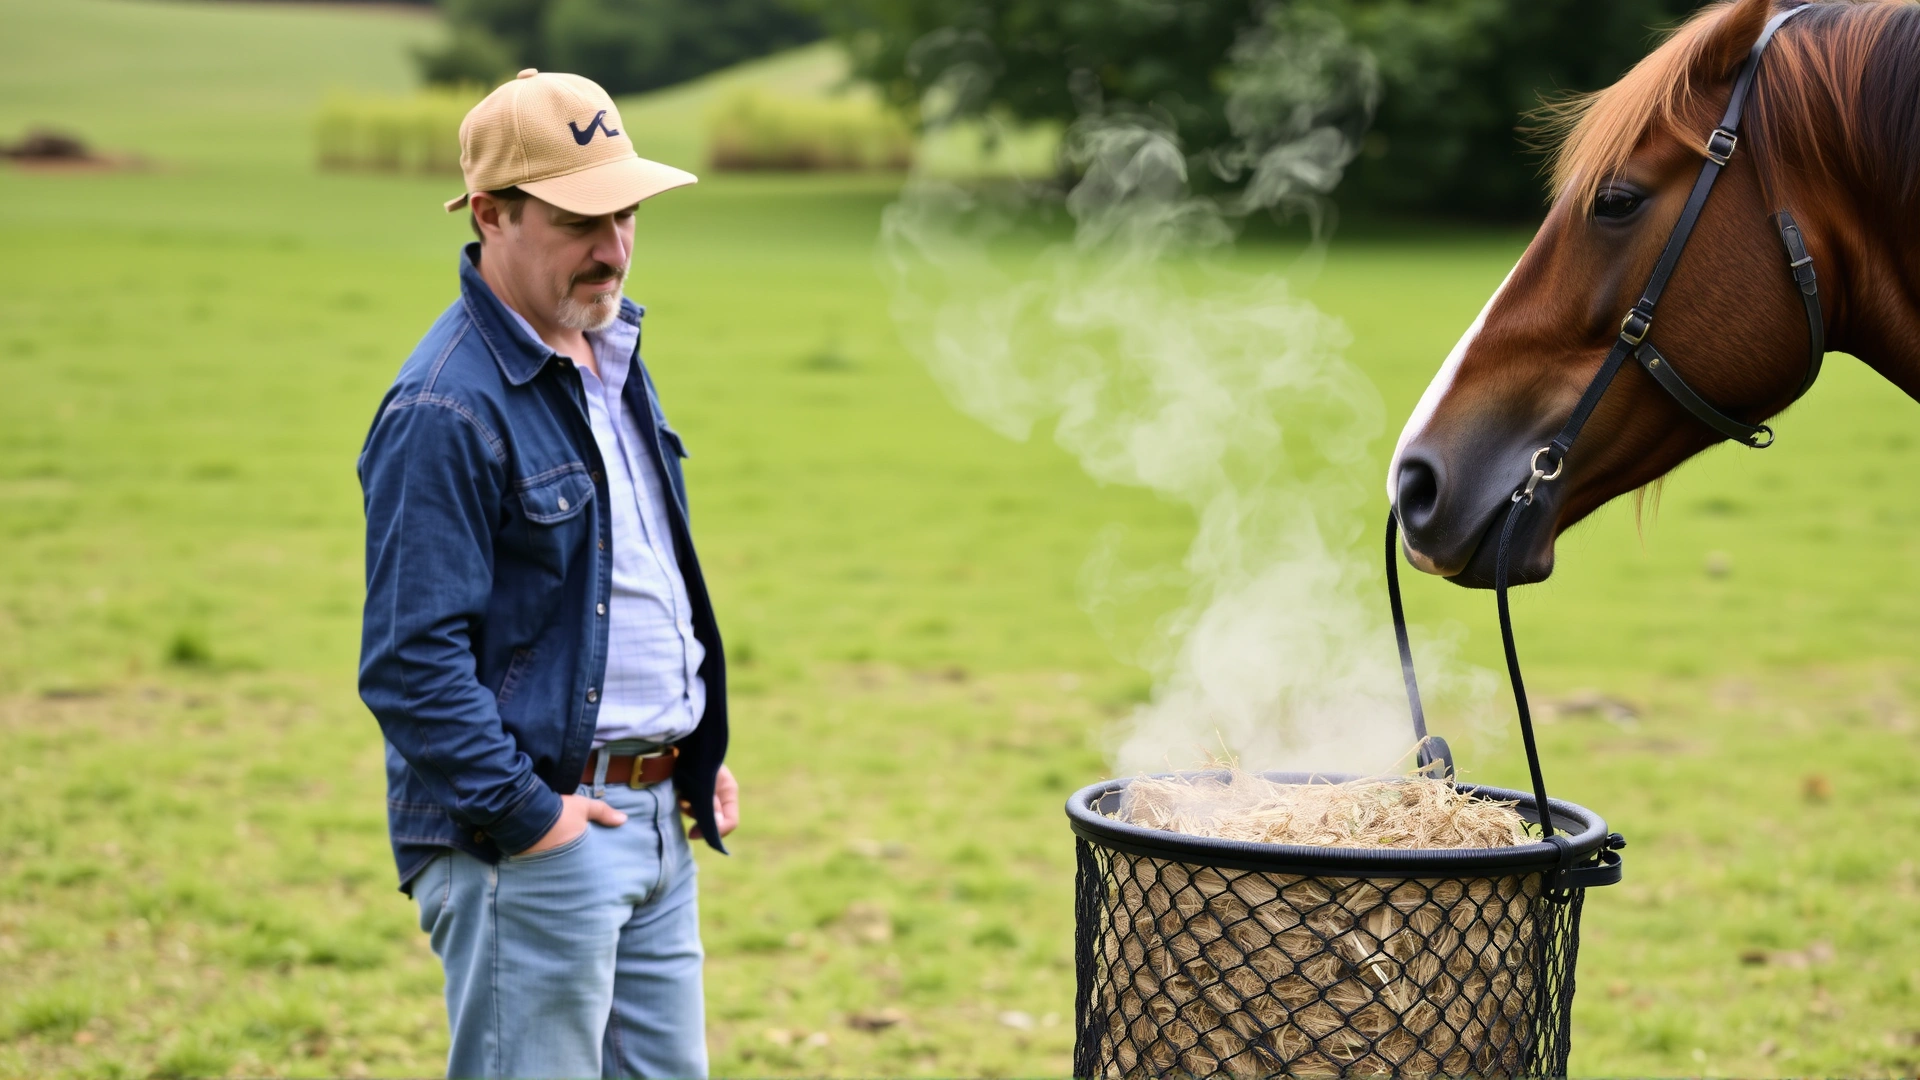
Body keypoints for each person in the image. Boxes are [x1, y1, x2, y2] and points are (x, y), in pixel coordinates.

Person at [357, 68, 738, 1080]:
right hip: (534, 839)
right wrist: (533, 819)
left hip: (656, 822)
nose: (612, 248)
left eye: (625, 213)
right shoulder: (443, 409)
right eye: (580, 220)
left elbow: (631, 579)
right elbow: (409, 663)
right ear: (492, 213)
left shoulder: (607, 352)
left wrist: (686, 745)